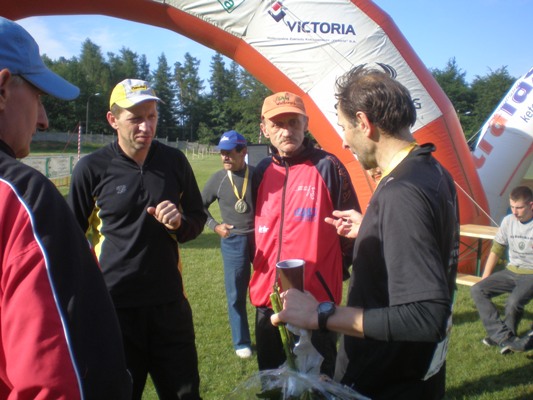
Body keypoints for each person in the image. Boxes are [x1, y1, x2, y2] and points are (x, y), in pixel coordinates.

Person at [271, 67, 459, 400]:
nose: (344, 141)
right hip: (419, 373)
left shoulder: (401, 191)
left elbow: (425, 316)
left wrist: (321, 314)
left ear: (363, 122)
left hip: (387, 379)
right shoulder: (432, 170)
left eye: (343, 127)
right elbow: (428, 243)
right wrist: (374, 226)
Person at [0, 17, 131, 399]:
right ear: (3, 90)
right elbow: (58, 380)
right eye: (39, 97)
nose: (43, 120)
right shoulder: (22, 199)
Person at [67, 78, 206, 399]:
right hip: (114, 309)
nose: (146, 126)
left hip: (170, 306)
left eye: (152, 116)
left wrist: (179, 223)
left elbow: (197, 219)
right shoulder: (91, 168)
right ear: (113, 120)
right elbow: (71, 240)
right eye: (136, 118)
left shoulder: (174, 161)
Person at [251, 91, 359, 377]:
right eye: (278, 124)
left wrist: (329, 274)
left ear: (306, 124)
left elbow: (350, 232)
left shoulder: (329, 166)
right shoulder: (261, 170)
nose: (287, 131)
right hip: (268, 299)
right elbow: (255, 228)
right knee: (273, 383)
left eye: (293, 122)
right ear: (264, 129)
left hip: (316, 302)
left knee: (318, 385)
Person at [201, 130, 254, 359]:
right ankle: (241, 342)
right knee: (236, 294)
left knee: (270, 290)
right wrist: (215, 226)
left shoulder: (258, 174)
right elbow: (198, 206)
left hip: (261, 239)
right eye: (222, 153)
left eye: (229, 152)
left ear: (243, 152)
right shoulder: (218, 178)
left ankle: (272, 334)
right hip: (233, 240)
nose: (224, 157)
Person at [470, 185, 533, 354]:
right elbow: (496, 249)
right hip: (511, 271)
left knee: (513, 302)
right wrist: (485, 277)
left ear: (531, 205)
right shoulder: (508, 221)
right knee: (477, 289)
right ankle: (503, 336)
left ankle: (503, 338)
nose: (515, 212)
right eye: (512, 207)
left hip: (530, 273)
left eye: (519, 207)